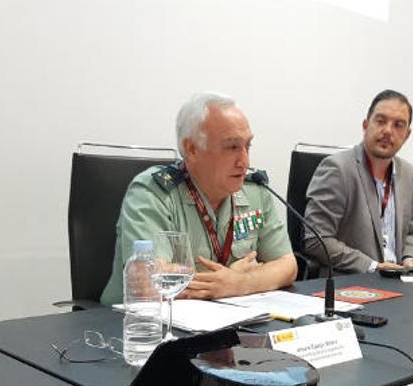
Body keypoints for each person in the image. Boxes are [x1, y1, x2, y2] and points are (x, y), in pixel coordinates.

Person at [100, 92, 297, 305]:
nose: (244, 162)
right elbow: (149, 286)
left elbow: (287, 266)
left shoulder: (255, 191)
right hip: (135, 328)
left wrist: (239, 283)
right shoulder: (152, 193)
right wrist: (240, 279)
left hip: (223, 324)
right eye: (232, 147)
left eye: (247, 146)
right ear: (191, 149)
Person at [303, 89, 413, 273]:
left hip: (397, 281)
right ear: (366, 125)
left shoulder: (409, 174)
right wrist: (374, 267)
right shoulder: (338, 169)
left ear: (407, 135)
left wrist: (410, 259)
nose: (388, 131)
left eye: (398, 125)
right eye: (381, 121)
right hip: (352, 283)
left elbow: (410, 234)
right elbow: (316, 240)